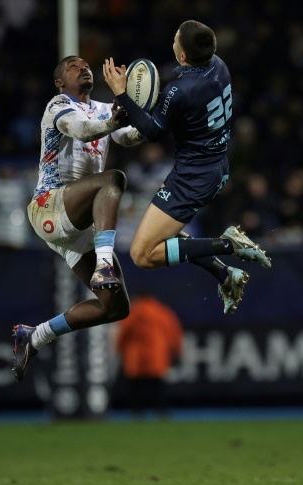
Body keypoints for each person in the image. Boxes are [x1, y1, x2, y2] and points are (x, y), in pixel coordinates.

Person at [102, 19, 271, 316]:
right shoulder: (219, 66)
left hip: (193, 177)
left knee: (142, 254)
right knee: (159, 237)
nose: (173, 41)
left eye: (175, 39)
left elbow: (152, 133)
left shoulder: (178, 91)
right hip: (214, 166)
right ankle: (224, 274)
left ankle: (227, 245)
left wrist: (121, 93)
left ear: (182, 55)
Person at [11, 55, 145, 382]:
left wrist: (152, 122)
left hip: (78, 222)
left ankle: (37, 335)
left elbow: (127, 137)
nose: (83, 67)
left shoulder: (101, 108)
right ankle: (104, 264)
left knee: (116, 308)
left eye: (86, 64)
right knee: (113, 180)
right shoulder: (58, 105)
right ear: (60, 82)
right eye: (73, 66)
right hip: (50, 204)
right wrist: (113, 122)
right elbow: (81, 130)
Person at [114, 293, 183, 419]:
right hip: (157, 354)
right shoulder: (162, 311)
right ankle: (162, 413)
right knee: (157, 386)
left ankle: (137, 413)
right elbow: (174, 333)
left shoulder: (132, 312)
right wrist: (177, 352)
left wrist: (119, 350)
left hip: (135, 355)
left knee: (136, 387)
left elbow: (122, 334)